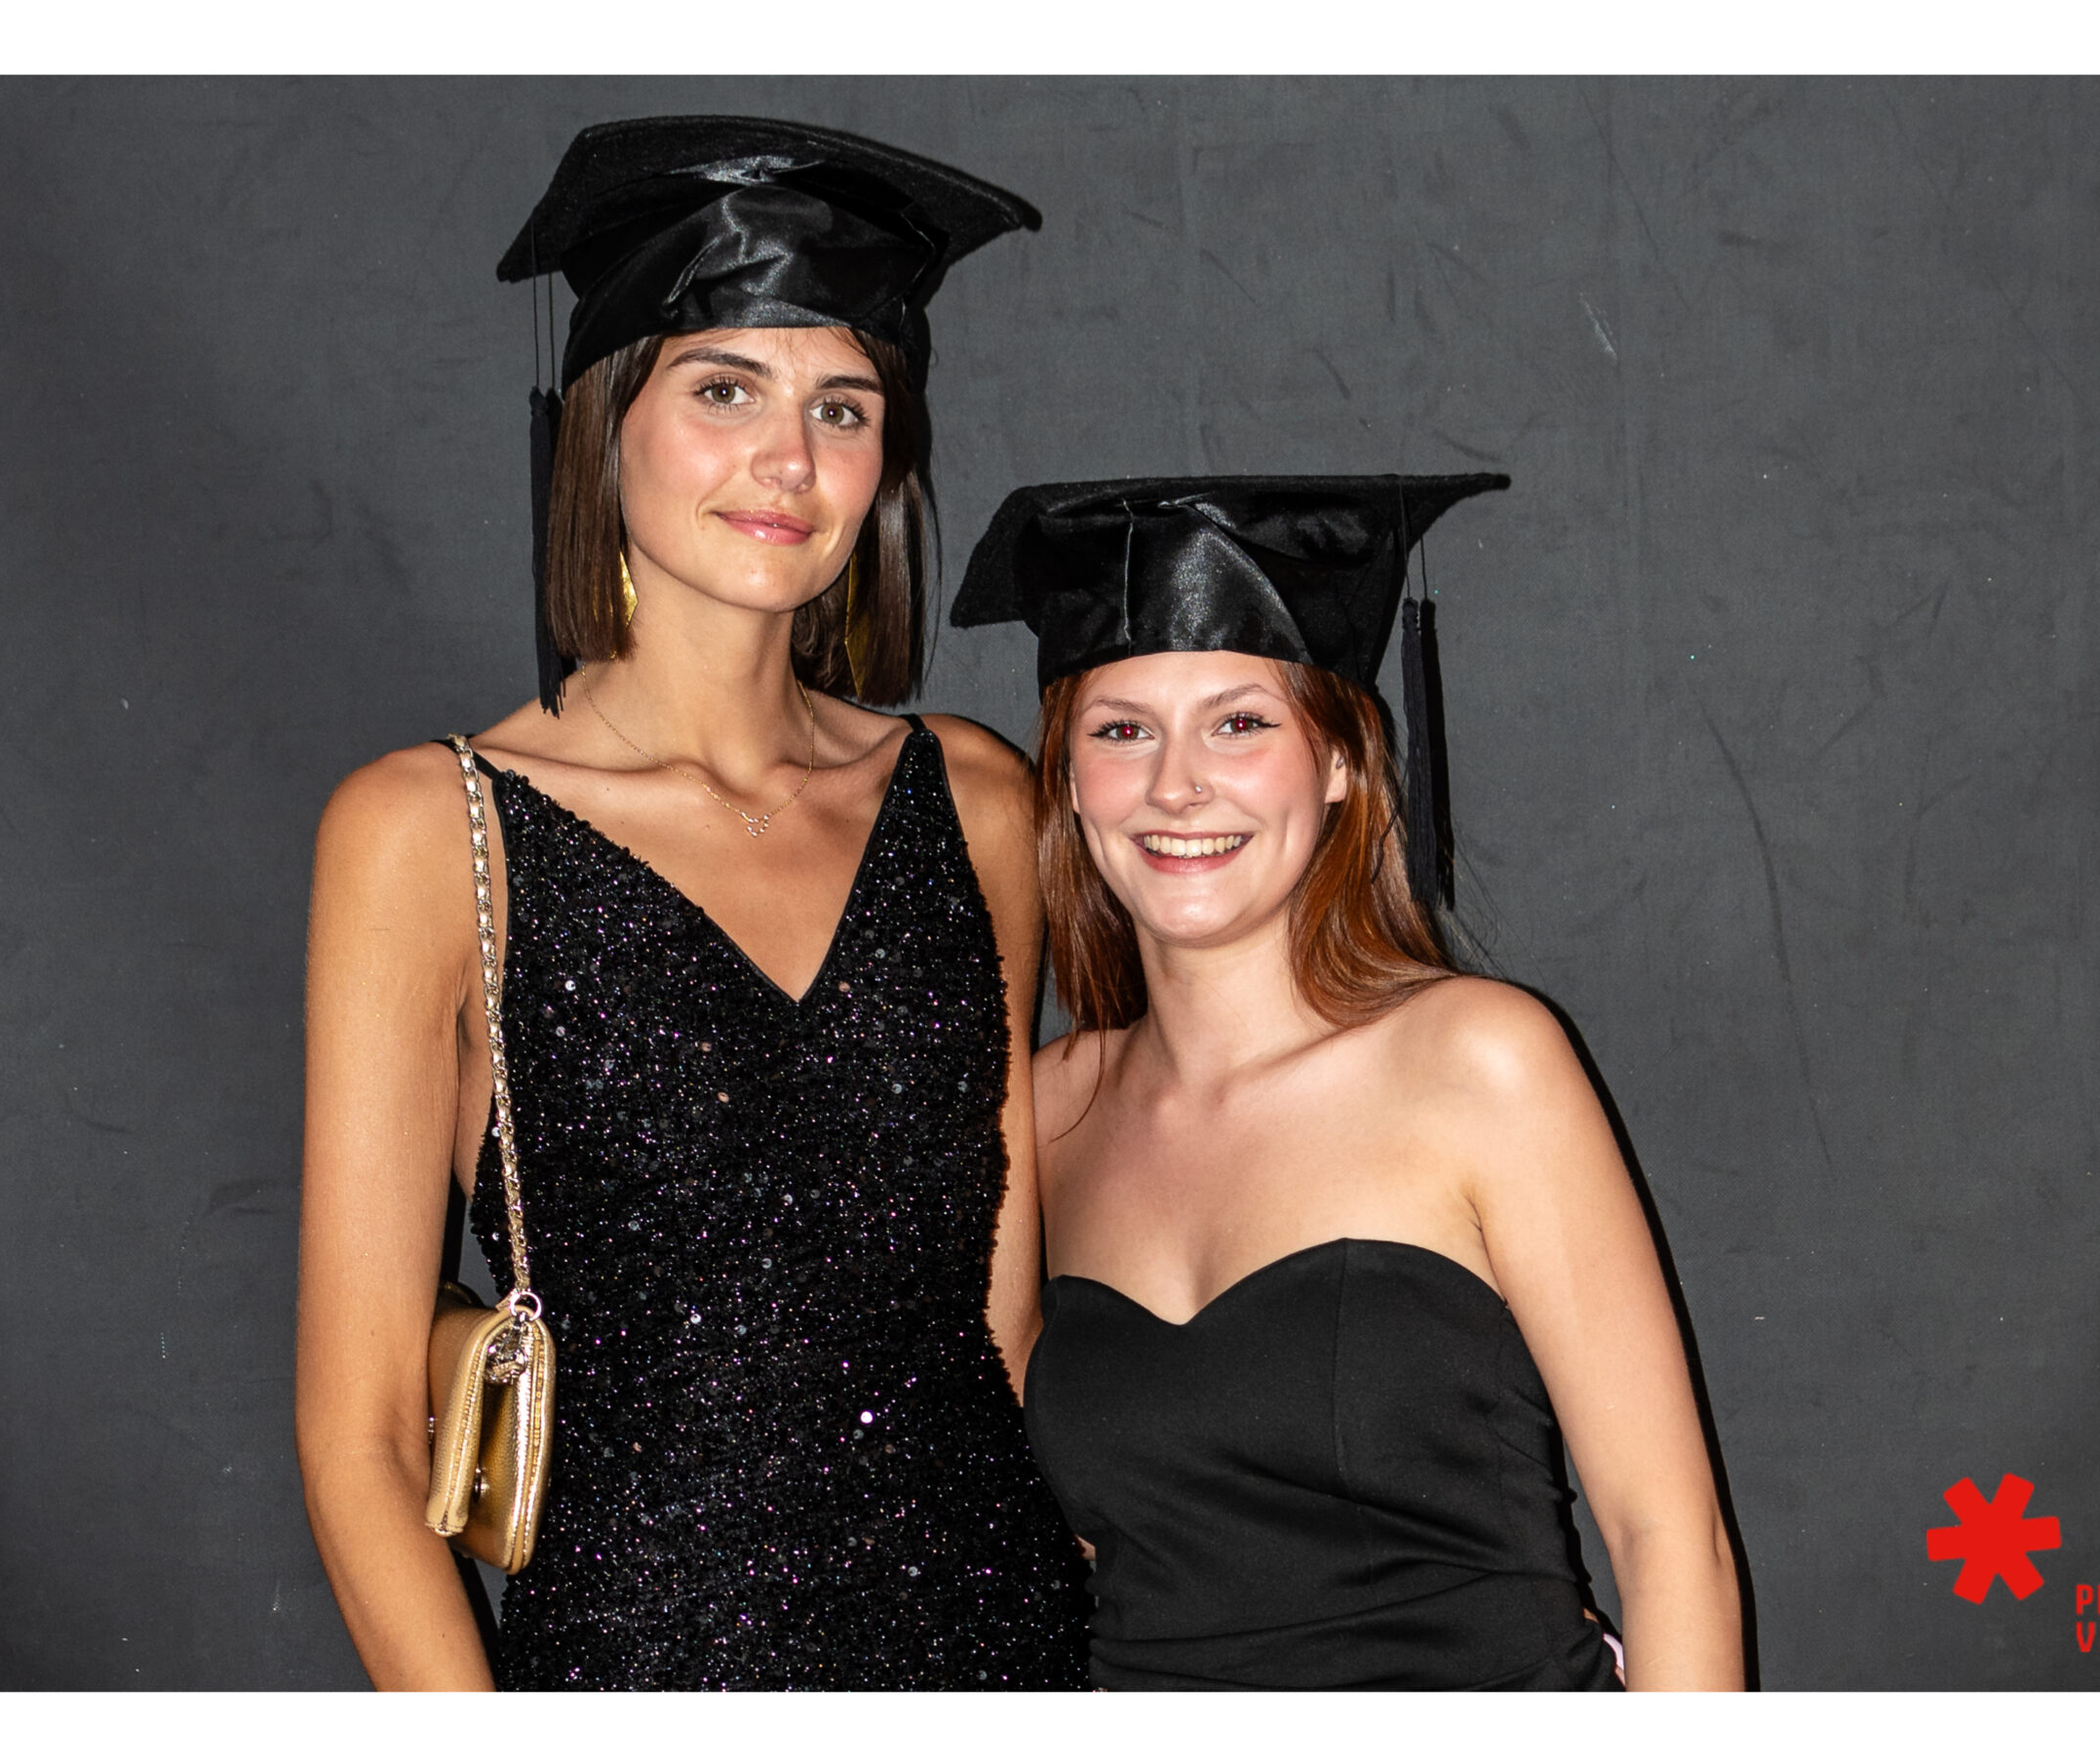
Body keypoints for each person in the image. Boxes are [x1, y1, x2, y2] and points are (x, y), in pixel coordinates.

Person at [296, 116, 1087, 1690]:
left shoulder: (976, 800)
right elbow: (362, 1435)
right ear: (608, 423)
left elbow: (1002, 1327)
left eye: (841, 407)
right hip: (641, 1665)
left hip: (997, 1644)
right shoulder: (431, 829)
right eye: (726, 389)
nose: (789, 460)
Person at [951, 475, 1745, 1690]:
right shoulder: (1043, 1114)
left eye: (1238, 724)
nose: (1176, 785)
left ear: (1335, 760)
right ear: (1064, 778)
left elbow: (1670, 1546)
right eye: (1121, 731)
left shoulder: (1476, 1061)